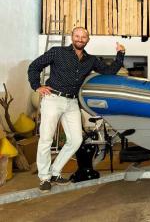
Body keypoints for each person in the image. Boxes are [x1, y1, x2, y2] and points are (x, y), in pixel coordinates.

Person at [28, 27, 125, 193]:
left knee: (76, 140)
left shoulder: (91, 60)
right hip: (53, 99)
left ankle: (55, 172)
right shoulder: (57, 52)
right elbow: (34, 66)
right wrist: (37, 86)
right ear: (72, 37)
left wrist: (120, 54)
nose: (80, 39)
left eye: (83, 37)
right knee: (46, 139)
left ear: (88, 39)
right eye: (77, 36)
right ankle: (44, 177)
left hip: (72, 102)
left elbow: (109, 71)